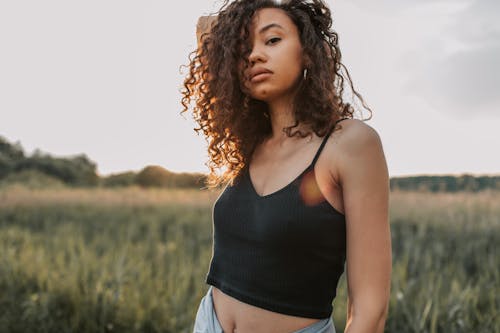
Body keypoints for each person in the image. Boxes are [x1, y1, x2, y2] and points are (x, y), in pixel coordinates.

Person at [181, 0, 392, 332]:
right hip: (209, 323)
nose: (254, 55)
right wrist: (240, 22)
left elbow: (370, 310)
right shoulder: (251, 144)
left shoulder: (349, 143)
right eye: (243, 48)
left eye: (272, 40)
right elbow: (204, 27)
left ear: (308, 50)